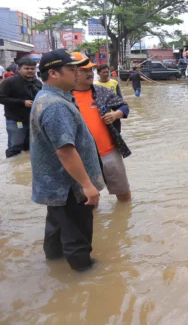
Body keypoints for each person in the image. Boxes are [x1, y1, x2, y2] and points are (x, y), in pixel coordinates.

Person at [30, 49, 105, 272]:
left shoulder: (47, 97)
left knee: (57, 227)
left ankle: (54, 264)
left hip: (55, 184)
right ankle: (84, 276)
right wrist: (87, 185)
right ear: (53, 73)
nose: (77, 74)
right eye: (72, 70)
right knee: (77, 233)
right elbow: (65, 151)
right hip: (69, 186)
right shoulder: (56, 106)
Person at [72, 55, 132, 202]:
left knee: (123, 191)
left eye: (91, 69)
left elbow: (124, 106)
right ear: (71, 71)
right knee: (90, 197)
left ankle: (124, 219)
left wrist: (116, 114)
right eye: (83, 70)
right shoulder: (64, 96)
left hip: (109, 151)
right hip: (81, 157)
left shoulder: (101, 91)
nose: (89, 73)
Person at [0, 58, 42, 158]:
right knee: (15, 147)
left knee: (31, 147)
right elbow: (1, 98)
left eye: (32, 68)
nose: (30, 71)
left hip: (33, 120)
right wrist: (23, 103)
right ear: (19, 69)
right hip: (15, 120)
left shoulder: (37, 83)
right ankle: (12, 167)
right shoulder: (9, 82)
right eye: (26, 68)